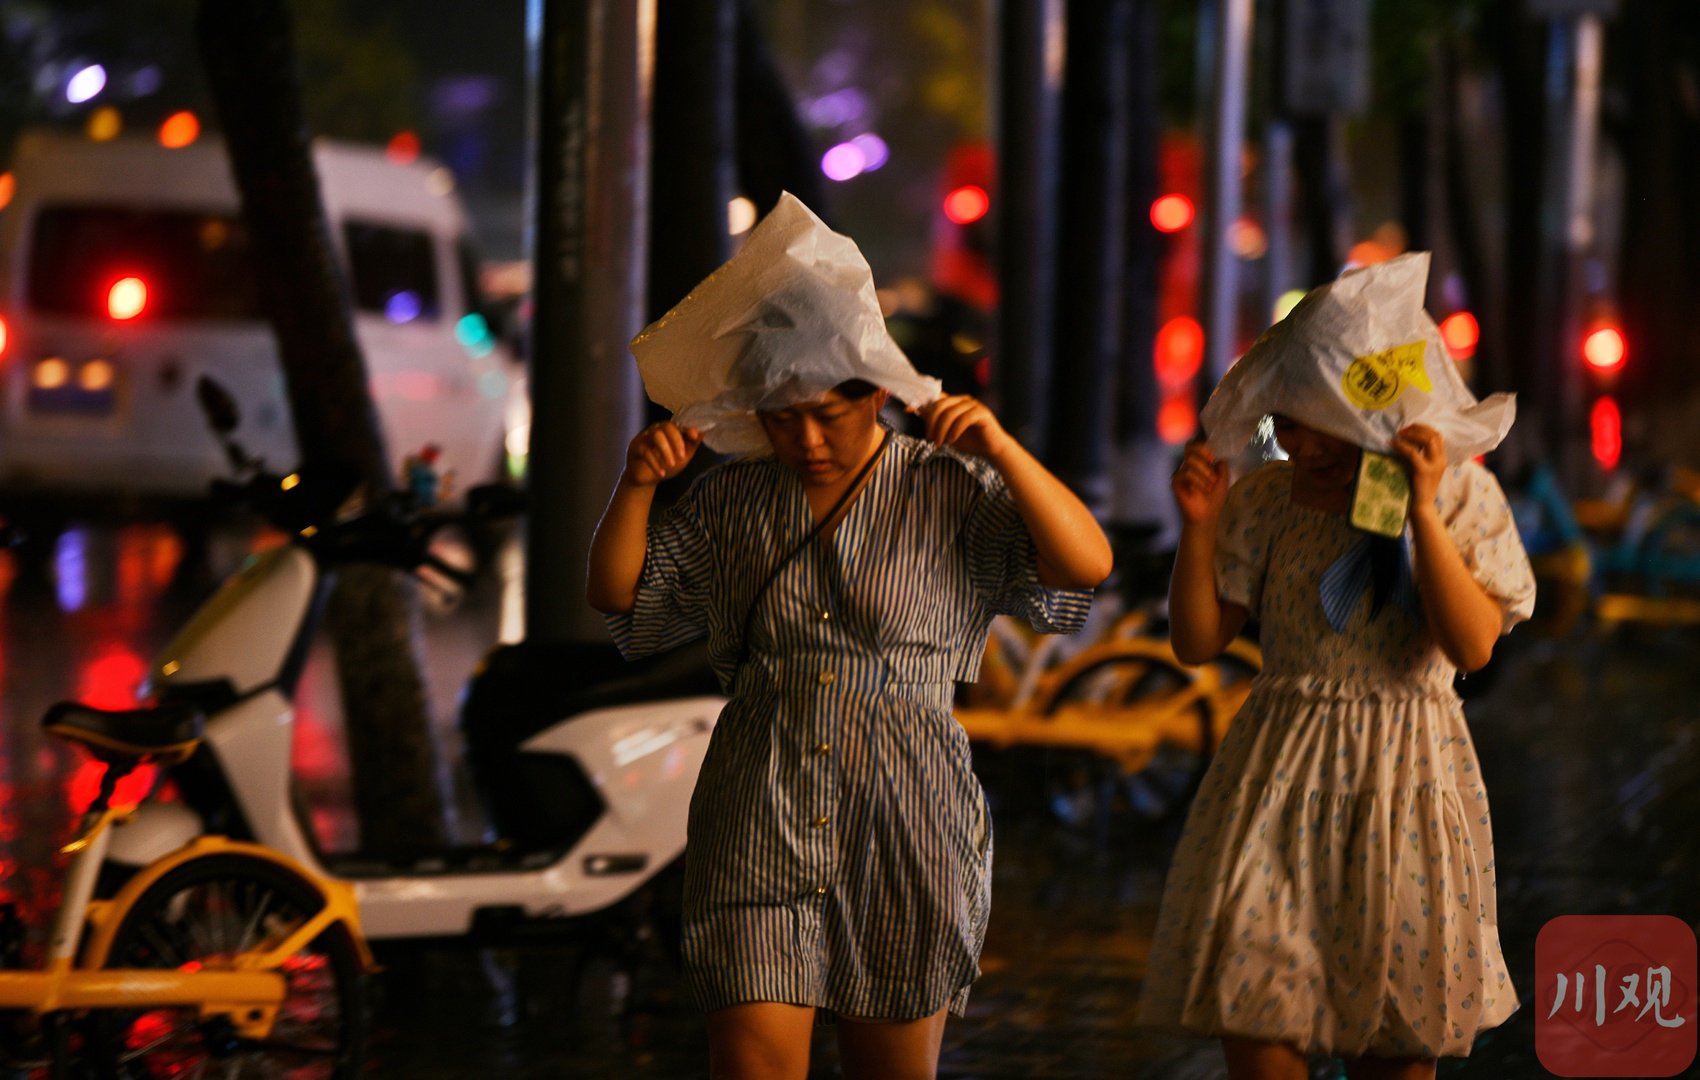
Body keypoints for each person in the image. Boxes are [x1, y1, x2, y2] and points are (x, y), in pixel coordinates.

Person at [587, 195, 1113, 1080]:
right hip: (761, 801)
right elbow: (620, 599)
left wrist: (1003, 449)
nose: (804, 437)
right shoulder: (732, 500)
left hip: (908, 815)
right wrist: (635, 488)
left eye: (828, 412)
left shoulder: (946, 487)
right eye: (782, 414)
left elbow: (1084, 565)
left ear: (877, 390)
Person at [1136, 256, 1536, 1080]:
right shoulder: (1266, 498)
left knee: (1392, 1041)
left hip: (1406, 776)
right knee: (1254, 1019)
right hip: (1278, 771)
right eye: (1291, 417)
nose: (1306, 441)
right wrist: (1200, 528)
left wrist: (1419, 509)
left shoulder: (1462, 498)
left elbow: (1471, 647)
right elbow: (1199, 642)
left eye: (1330, 420)